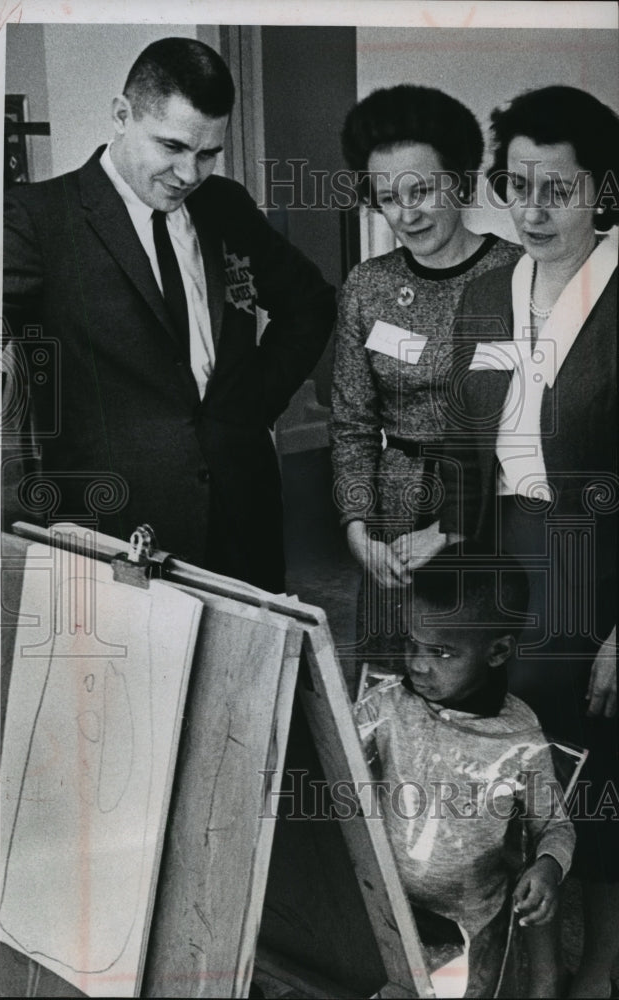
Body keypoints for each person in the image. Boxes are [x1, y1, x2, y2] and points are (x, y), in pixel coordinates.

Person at [405, 85, 618, 998]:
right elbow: (466, 431)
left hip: (591, 560)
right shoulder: (493, 289)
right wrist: (438, 534)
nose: (532, 209)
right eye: (516, 184)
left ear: (602, 191)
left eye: (556, 190)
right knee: (498, 745)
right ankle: (518, 961)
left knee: (586, 764)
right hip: (500, 547)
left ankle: (600, 964)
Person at [3, 37, 336, 592]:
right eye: (172, 147)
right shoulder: (36, 220)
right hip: (112, 533)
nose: (189, 173)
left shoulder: (225, 205)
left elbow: (311, 302)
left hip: (242, 514)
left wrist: (253, 401)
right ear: (121, 114)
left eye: (208, 153)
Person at [330, 84, 521, 674]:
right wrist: (357, 526)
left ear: (460, 183)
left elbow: (526, 424)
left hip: (490, 512)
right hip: (391, 515)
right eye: (388, 197)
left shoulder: (517, 274)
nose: (405, 212)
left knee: (471, 681)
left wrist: (450, 528)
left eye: (422, 190)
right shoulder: (367, 285)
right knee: (390, 679)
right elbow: (352, 424)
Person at [355, 543, 575, 998]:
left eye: (440, 651)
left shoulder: (519, 738)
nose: (417, 662)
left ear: (497, 652)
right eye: (411, 643)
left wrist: (549, 868)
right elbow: (335, 755)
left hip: (466, 932)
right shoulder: (388, 705)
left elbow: (553, 824)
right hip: (381, 909)